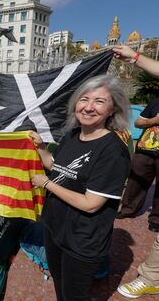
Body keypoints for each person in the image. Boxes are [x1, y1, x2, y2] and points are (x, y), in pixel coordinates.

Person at [31, 75, 131, 301]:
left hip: (82, 240)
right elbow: (58, 168)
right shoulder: (72, 135)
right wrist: (42, 147)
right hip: (55, 228)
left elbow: (91, 204)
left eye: (99, 101)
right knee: (59, 283)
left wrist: (46, 183)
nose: (88, 107)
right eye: (84, 99)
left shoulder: (113, 151)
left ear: (112, 109)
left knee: (74, 295)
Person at [113, 45, 159, 298]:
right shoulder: (155, 103)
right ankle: (152, 276)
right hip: (147, 151)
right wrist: (135, 57)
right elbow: (140, 121)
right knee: (135, 183)